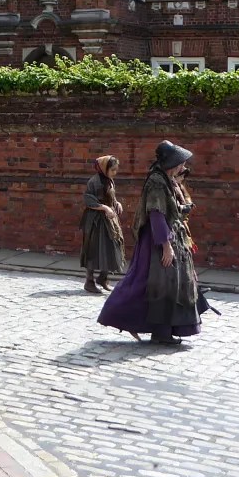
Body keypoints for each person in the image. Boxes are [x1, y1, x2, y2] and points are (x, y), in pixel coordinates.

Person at [98, 140, 206, 345]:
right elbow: (156, 214)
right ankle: (155, 330)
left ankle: (164, 330)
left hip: (170, 236)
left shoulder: (167, 179)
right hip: (157, 241)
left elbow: (169, 209)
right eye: (181, 163)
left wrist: (183, 211)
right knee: (152, 283)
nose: (183, 167)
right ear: (172, 163)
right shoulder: (157, 181)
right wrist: (165, 246)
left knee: (167, 284)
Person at [80, 155, 126, 294]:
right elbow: (88, 199)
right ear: (104, 168)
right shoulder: (94, 181)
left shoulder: (109, 181)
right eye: (112, 170)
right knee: (94, 250)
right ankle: (89, 281)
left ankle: (103, 278)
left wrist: (116, 203)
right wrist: (104, 208)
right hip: (95, 222)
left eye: (116, 170)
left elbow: (111, 197)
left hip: (109, 221)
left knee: (112, 247)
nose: (114, 173)